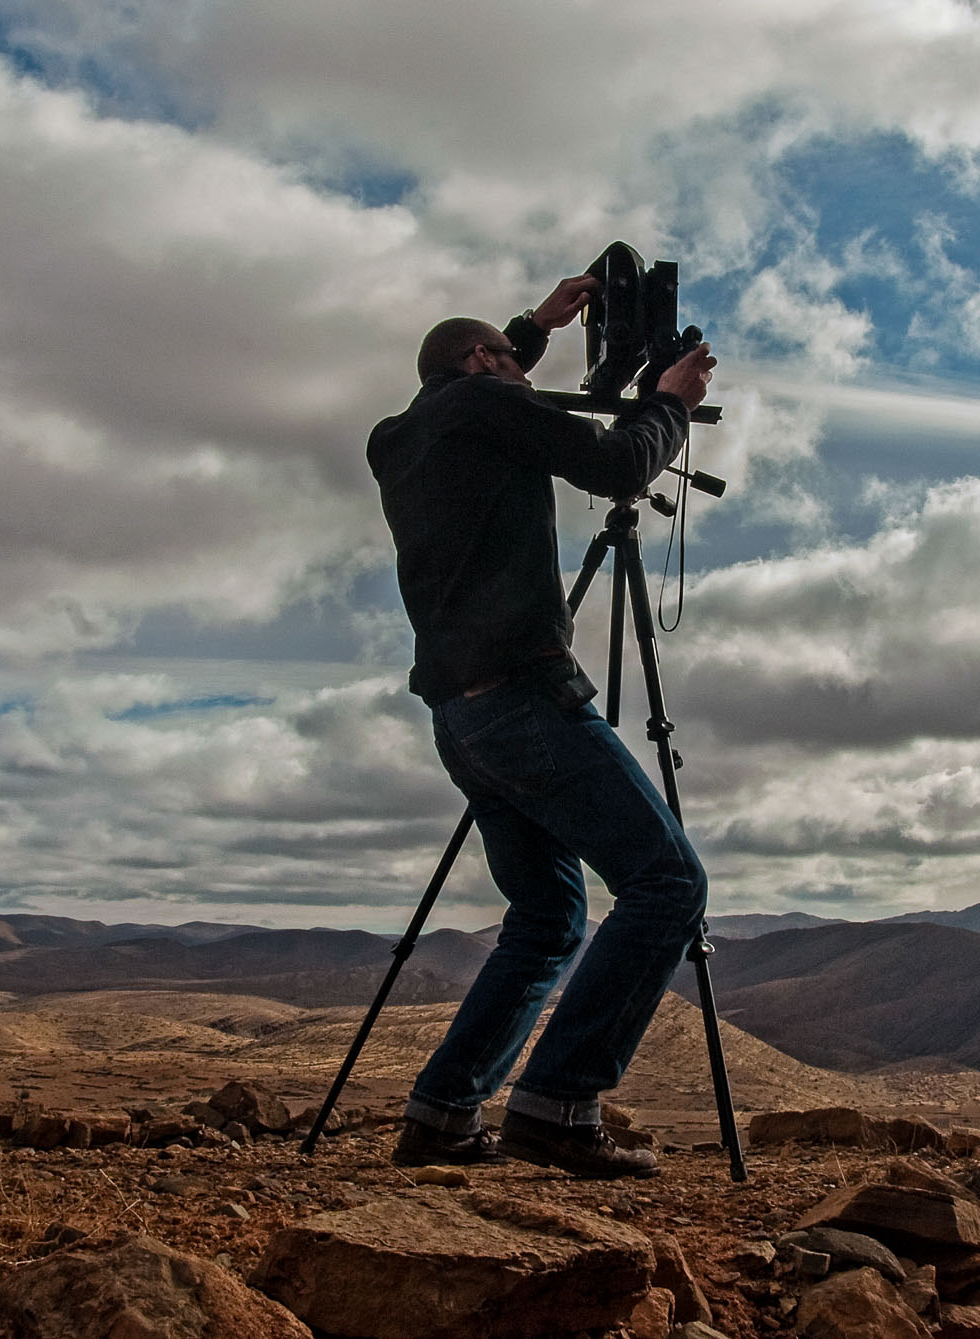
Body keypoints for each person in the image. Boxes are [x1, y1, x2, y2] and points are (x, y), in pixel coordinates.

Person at [366, 273, 717, 1179]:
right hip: (526, 700)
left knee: (550, 914)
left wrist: (535, 329)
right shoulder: (488, 403)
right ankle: (558, 1106)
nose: (515, 374)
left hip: (460, 716)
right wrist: (669, 407)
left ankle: (444, 1112)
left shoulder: (399, 439)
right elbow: (613, 466)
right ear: (482, 365)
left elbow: (474, 382)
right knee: (668, 881)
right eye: (504, 361)